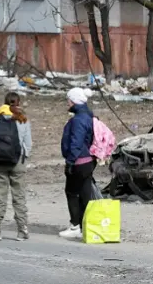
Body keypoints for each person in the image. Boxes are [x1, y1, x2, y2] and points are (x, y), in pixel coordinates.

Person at [0, 92, 32, 242]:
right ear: (18, 103)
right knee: (18, 195)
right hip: (18, 162)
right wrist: (24, 159)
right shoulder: (23, 120)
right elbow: (28, 144)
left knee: (0, 195)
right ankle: (22, 230)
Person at [59, 87, 96, 239]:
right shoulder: (89, 115)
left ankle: (75, 226)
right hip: (89, 161)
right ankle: (87, 224)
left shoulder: (78, 120)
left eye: (68, 100)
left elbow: (76, 142)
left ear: (74, 101)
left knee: (72, 192)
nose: (67, 103)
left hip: (79, 161)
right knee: (85, 193)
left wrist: (70, 162)